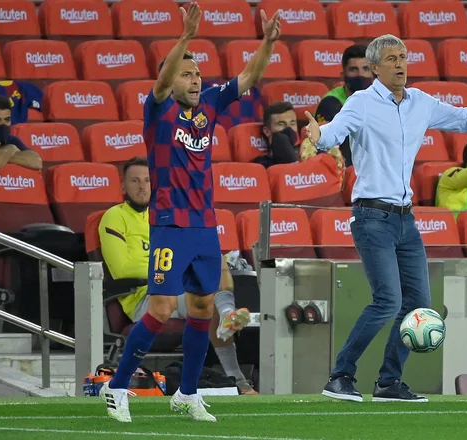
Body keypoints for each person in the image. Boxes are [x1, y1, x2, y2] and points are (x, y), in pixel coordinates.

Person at [303, 33, 467, 403]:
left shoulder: (420, 103)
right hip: (371, 217)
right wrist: (319, 134)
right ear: (375, 68)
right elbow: (333, 134)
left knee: (419, 305)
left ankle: (388, 382)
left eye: (403, 57)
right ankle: (340, 376)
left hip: (406, 220)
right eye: (391, 58)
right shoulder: (361, 103)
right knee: (387, 301)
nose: (399, 64)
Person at [100, 1, 280, 423]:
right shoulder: (158, 109)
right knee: (161, 309)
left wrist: (268, 43)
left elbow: (250, 76)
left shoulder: (211, 105)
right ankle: (118, 387)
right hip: (169, 226)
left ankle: (188, 393)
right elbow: (161, 83)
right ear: (170, 79)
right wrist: (185, 37)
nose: (195, 78)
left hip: (203, 227)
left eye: (197, 72)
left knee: (203, 308)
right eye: (186, 72)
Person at [98, 157, 257, 394]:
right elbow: (122, 269)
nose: (142, 186)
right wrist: (172, 269)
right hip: (145, 297)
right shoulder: (114, 216)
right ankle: (238, 376)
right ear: (123, 187)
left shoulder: (164, 216)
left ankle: (226, 315)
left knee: (215, 260)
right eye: (134, 180)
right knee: (204, 291)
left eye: (147, 180)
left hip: (177, 287)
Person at [313, 44, 372, 167]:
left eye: (365, 69)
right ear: (343, 75)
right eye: (353, 69)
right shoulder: (331, 103)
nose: (360, 74)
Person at [253, 102, 344, 175]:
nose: (288, 129)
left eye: (292, 123)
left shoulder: (311, 154)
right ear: (267, 131)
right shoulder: (261, 166)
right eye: (281, 124)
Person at [0, 95, 42, 171]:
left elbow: (37, 162)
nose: (2, 124)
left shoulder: (11, 140)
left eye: (7, 120)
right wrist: (11, 149)